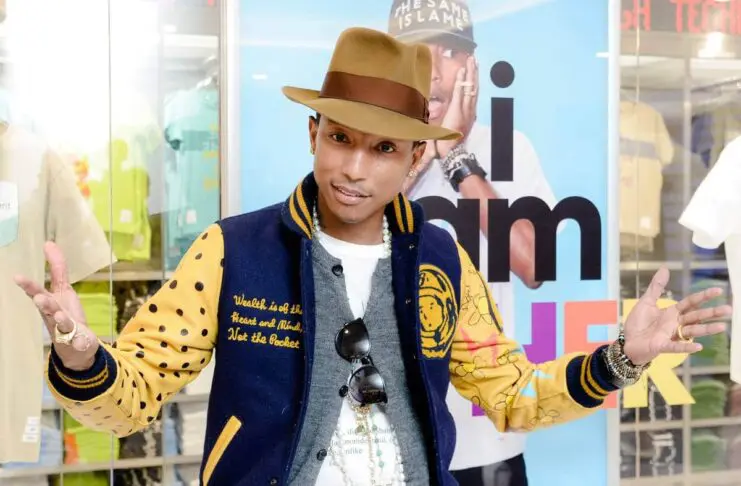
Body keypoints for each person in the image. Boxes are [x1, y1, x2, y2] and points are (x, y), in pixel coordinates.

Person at [15, 27, 729, 486]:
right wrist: (81, 357)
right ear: (313, 134)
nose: (354, 168)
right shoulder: (230, 251)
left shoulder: (441, 260)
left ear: (416, 158)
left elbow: (512, 397)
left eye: (383, 147)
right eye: (339, 138)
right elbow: (130, 400)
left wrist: (621, 358)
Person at [388, 0, 553, 482]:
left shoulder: (510, 146)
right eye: (418, 52)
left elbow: (534, 265)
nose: (434, 71)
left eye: (450, 51)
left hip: (487, 431)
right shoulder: (374, 144)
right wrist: (424, 153)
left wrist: (458, 158)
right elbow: (348, 232)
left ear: (471, 66)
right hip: (393, 428)